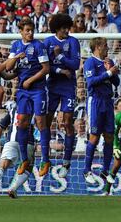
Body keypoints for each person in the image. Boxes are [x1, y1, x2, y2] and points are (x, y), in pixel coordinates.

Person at [5, 18, 51, 177]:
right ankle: (24, 159)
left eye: (32, 30)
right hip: (23, 91)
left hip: (38, 89)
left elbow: (46, 69)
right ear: (21, 31)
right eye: (27, 30)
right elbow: (8, 67)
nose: (30, 33)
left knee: (40, 122)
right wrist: (17, 56)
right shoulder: (16, 45)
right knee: (22, 122)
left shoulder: (39, 46)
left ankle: (45, 159)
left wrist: (30, 80)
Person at [43, 14, 81, 178]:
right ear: (56, 28)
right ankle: (45, 159)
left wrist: (59, 57)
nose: (67, 30)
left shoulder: (73, 42)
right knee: (46, 121)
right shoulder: (48, 42)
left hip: (68, 86)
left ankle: (66, 161)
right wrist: (59, 70)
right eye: (64, 27)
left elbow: (75, 64)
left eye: (68, 27)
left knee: (67, 122)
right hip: (52, 85)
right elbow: (44, 65)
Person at [83, 37, 120, 184]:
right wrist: (109, 73)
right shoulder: (90, 62)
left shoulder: (108, 62)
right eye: (105, 45)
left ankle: (105, 171)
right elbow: (90, 82)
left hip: (108, 102)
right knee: (94, 137)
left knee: (110, 136)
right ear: (98, 47)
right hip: (96, 102)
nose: (108, 48)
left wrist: (112, 71)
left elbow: (116, 82)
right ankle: (86, 170)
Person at [0, 101, 35, 199]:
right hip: (27, 142)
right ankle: (13, 188)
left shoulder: (14, 109)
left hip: (11, 141)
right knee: (28, 166)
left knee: (3, 165)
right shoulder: (35, 106)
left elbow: (1, 126)